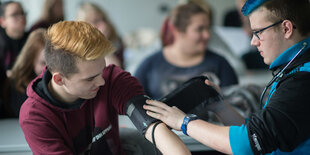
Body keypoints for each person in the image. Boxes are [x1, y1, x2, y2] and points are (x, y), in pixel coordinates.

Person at [143, 0, 310, 154]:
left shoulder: (302, 81)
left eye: (258, 32)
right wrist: (219, 107)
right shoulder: (293, 71)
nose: (253, 41)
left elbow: (251, 142)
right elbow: (261, 134)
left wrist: (183, 122)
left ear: (286, 29)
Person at [19, 21, 190, 155]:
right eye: (90, 78)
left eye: (101, 70)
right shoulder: (34, 116)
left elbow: (152, 125)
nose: (101, 82)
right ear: (59, 79)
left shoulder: (111, 79)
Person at [135, 2, 238, 100]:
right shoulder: (149, 65)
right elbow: (136, 104)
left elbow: (235, 106)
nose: (207, 35)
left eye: (208, 28)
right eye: (200, 29)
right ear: (178, 31)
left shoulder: (220, 63)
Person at [2, 28, 46, 117]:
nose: (50, 69)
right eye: (43, 63)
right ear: (30, 60)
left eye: (53, 63)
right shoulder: (18, 83)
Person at [76, 2, 125, 68]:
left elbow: (117, 72)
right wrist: (102, 42)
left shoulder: (116, 40)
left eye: (103, 19)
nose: (104, 24)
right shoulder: (79, 49)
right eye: (95, 21)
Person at [0, 1, 28, 75]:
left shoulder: (32, 40)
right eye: (15, 14)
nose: (21, 17)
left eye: (22, 13)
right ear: (2, 21)